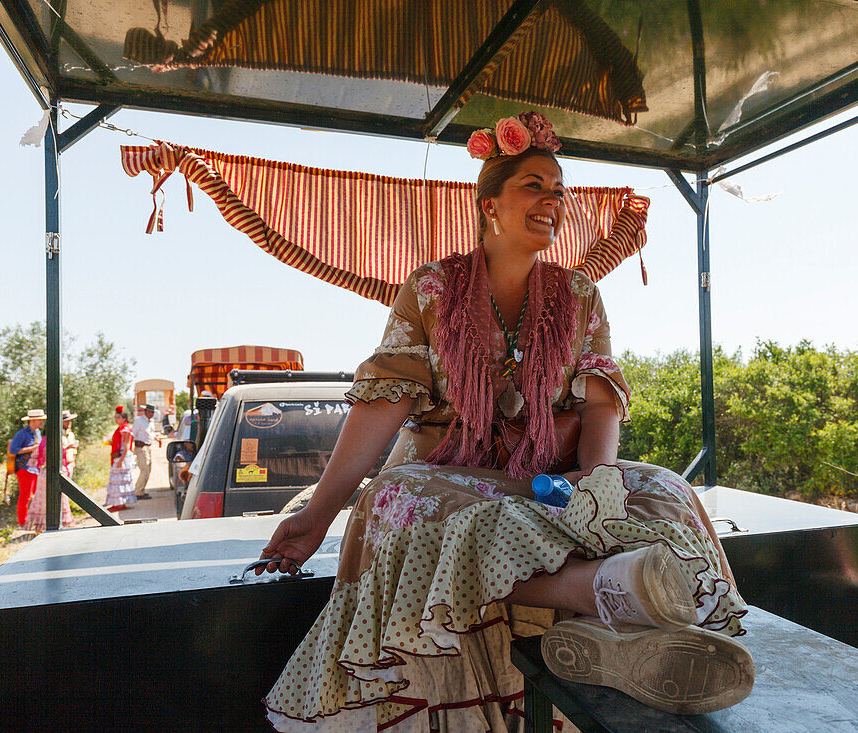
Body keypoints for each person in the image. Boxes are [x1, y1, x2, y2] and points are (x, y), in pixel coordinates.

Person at [257, 113, 753, 731]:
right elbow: (385, 401)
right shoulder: (432, 288)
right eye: (534, 186)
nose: (553, 200)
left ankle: (637, 640)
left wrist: (597, 485)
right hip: (450, 475)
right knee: (397, 500)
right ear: (488, 203)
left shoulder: (580, 294)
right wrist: (320, 511)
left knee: (661, 489)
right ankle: (605, 592)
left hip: (551, 474)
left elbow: (599, 401)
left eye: (559, 190)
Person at [23, 419, 77, 533]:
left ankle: (42, 525)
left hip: (43, 473)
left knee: (43, 500)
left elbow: (34, 458)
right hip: (56, 471)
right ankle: (60, 523)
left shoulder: (43, 441)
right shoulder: (57, 441)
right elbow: (60, 457)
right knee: (60, 498)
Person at [8, 408, 45, 527]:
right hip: (24, 470)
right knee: (25, 497)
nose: (42, 422)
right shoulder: (22, 434)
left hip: (36, 469)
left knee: (38, 496)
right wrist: (32, 449)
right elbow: (13, 450)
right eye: (40, 420)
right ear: (33, 420)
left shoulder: (38, 433)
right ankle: (23, 523)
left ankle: (35, 521)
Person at [105, 406, 138, 512]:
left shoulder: (125, 429)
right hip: (121, 456)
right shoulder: (122, 428)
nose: (116, 419)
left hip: (122, 456)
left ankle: (119, 503)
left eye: (118, 417)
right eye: (115, 417)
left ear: (124, 418)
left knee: (118, 480)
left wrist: (121, 460)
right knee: (119, 480)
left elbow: (127, 446)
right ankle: (119, 502)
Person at [132, 404, 155, 499]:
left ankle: (141, 490)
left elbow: (150, 434)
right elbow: (132, 434)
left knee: (148, 470)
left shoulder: (150, 422)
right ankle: (137, 492)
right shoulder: (139, 421)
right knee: (144, 470)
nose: (151, 414)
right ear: (145, 411)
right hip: (141, 447)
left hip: (148, 447)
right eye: (149, 411)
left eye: (152, 412)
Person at [61, 409, 79, 478]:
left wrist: (73, 462)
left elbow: (74, 451)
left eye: (70, 421)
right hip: (62, 466)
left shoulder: (71, 434)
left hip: (70, 464)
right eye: (66, 421)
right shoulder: (58, 435)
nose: (69, 423)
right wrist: (69, 447)